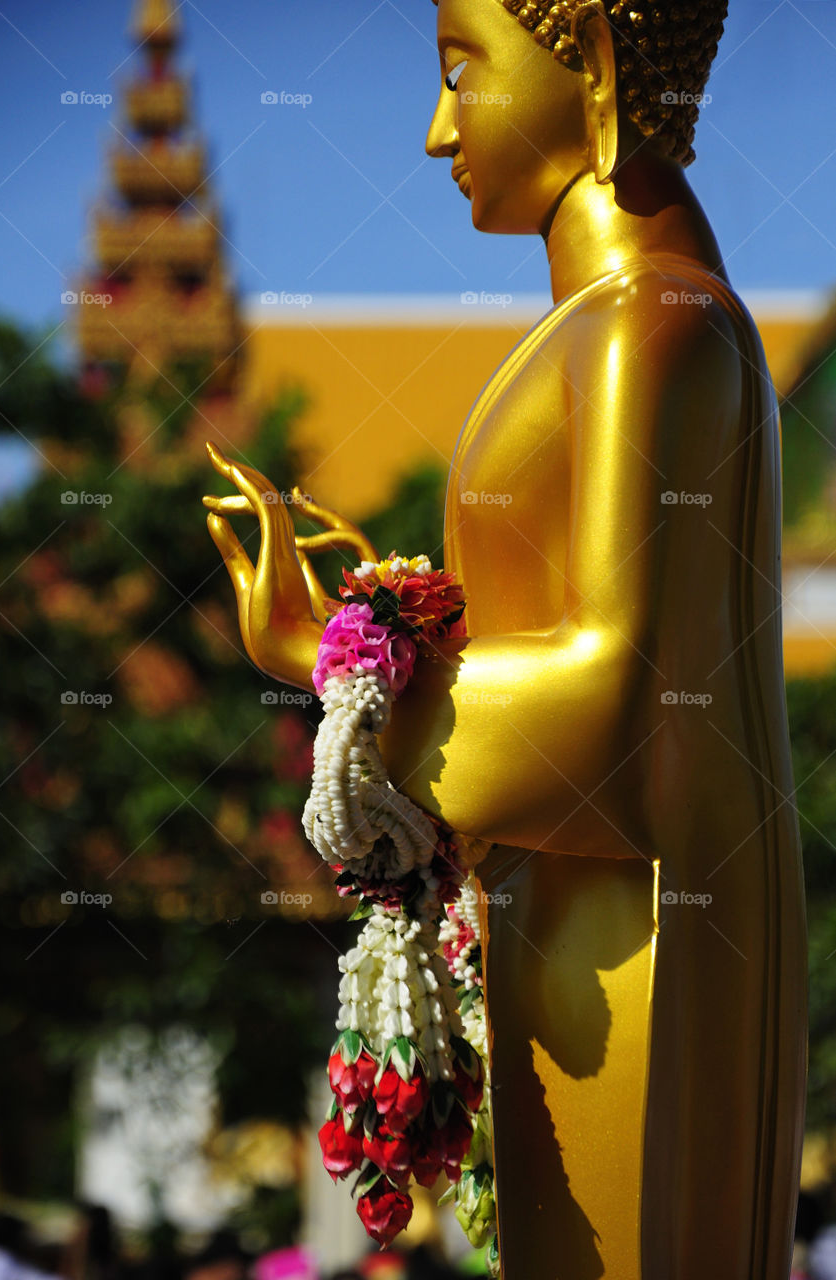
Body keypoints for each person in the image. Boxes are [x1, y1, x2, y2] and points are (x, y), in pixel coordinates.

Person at [204, 0, 807, 1274]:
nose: (439, 130)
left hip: (633, 954)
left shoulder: (654, 326)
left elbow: (616, 710)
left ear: (591, 60)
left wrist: (329, 656)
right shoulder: (611, 325)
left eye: (460, 71)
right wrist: (386, 632)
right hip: (567, 936)